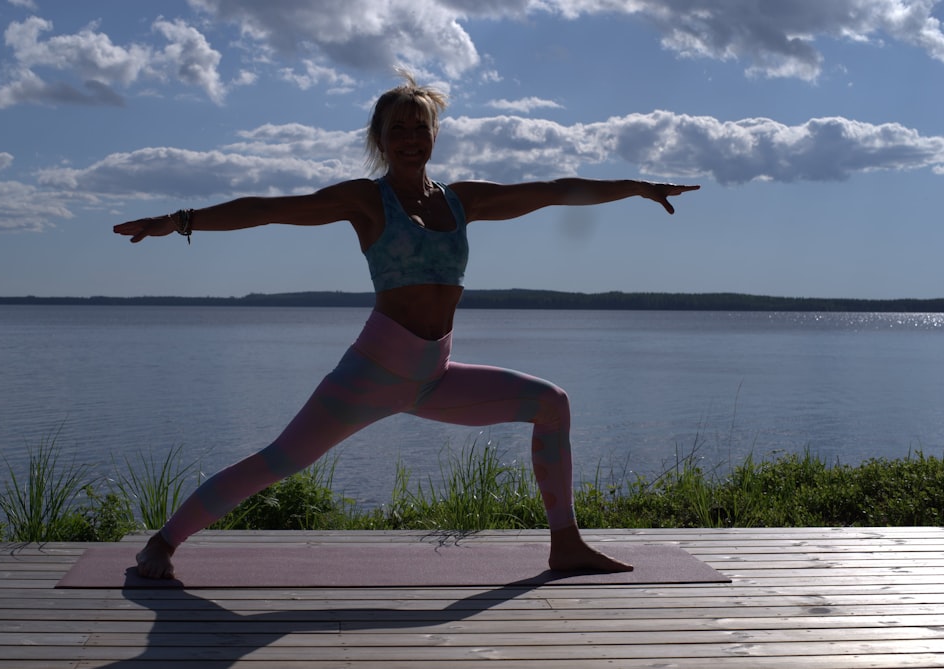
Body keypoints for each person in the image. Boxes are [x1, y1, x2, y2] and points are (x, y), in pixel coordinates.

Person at [114, 70, 699, 579]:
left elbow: (551, 192)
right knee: (280, 461)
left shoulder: (461, 201)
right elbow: (269, 210)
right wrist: (179, 221)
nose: (410, 139)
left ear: (434, 136)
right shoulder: (366, 201)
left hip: (434, 374)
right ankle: (164, 542)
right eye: (397, 129)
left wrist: (634, 188)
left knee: (552, 403)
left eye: (420, 128)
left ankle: (566, 546)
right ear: (379, 140)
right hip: (371, 372)